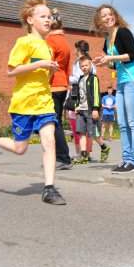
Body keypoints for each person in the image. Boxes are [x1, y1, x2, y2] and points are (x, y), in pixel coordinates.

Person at [0, 0, 66, 205]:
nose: (48, 20)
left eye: (50, 17)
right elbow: (11, 71)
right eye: (43, 16)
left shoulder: (48, 47)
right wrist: (40, 64)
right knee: (20, 149)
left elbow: (43, 76)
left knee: (49, 140)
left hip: (44, 102)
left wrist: (49, 69)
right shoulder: (24, 42)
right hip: (24, 103)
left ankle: (49, 188)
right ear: (30, 20)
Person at [93, 4, 134, 173]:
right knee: (122, 123)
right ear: (99, 21)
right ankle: (126, 159)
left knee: (133, 122)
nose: (108, 17)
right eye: (104, 16)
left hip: (132, 79)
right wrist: (104, 62)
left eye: (110, 14)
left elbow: (133, 55)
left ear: (115, 16)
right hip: (121, 82)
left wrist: (110, 58)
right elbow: (115, 66)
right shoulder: (107, 40)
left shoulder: (123, 32)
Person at [46, 9, 73, 170]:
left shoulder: (50, 40)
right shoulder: (65, 41)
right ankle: (58, 156)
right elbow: (68, 66)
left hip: (52, 84)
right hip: (62, 85)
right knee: (55, 122)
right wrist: (67, 84)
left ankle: (63, 158)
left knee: (53, 123)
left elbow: (48, 64)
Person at [74, 54, 111, 163]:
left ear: (90, 65)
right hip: (81, 110)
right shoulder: (80, 79)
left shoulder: (93, 78)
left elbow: (96, 94)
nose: (84, 67)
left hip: (91, 110)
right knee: (81, 132)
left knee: (94, 134)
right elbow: (78, 94)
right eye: (82, 66)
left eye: (86, 65)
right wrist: (76, 106)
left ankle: (104, 147)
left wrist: (95, 109)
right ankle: (84, 156)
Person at [68, 40, 94, 159]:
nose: (74, 51)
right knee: (83, 126)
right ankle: (85, 153)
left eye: (76, 49)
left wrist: (67, 78)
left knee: (78, 126)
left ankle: (82, 153)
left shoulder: (82, 62)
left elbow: (80, 78)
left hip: (80, 97)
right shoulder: (86, 62)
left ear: (79, 49)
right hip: (81, 96)